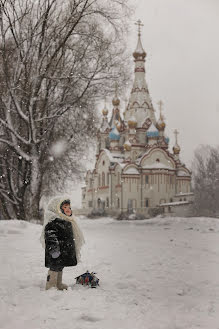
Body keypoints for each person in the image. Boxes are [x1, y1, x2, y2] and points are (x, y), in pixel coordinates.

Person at [40, 197, 85, 290]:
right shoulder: (53, 223)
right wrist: (54, 249)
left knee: (60, 267)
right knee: (54, 268)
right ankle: (51, 285)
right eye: (65, 207)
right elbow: (50, 237)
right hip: (56, 252)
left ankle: (58, 283)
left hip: (63, 250)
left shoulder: (67, 221)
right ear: (57, 209)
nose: (68, 209)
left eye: (69, 207)